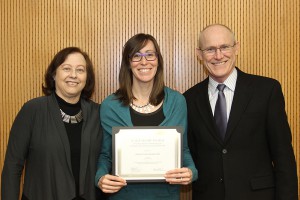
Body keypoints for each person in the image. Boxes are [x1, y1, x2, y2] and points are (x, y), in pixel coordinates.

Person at [183, 24, 298, 200]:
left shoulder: (266, 90)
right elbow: (189, 154)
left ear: (236, 47)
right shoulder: (189, 99)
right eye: (210, 49)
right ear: (199, 54)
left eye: (224, 47)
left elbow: (283, 156)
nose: (218, 55)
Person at [95, 33, 198, 199]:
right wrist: (100, 178)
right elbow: (106, 155)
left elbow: (183, 150)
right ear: (128, 63)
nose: (144, 62)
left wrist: (191, 172)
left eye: (150, 54)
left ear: (158, 60)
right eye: (136, 56)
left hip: (166, 195)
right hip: (123, 196)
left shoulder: (177, 102)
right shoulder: (110, 106)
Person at [1, 47, 103, 200]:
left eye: (80, 70)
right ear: (54, 74)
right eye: (66, 68)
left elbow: (107, 158)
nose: (73, 75)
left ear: (87, 78)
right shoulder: (33, 110)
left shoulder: (98, 113)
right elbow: (12, 167)